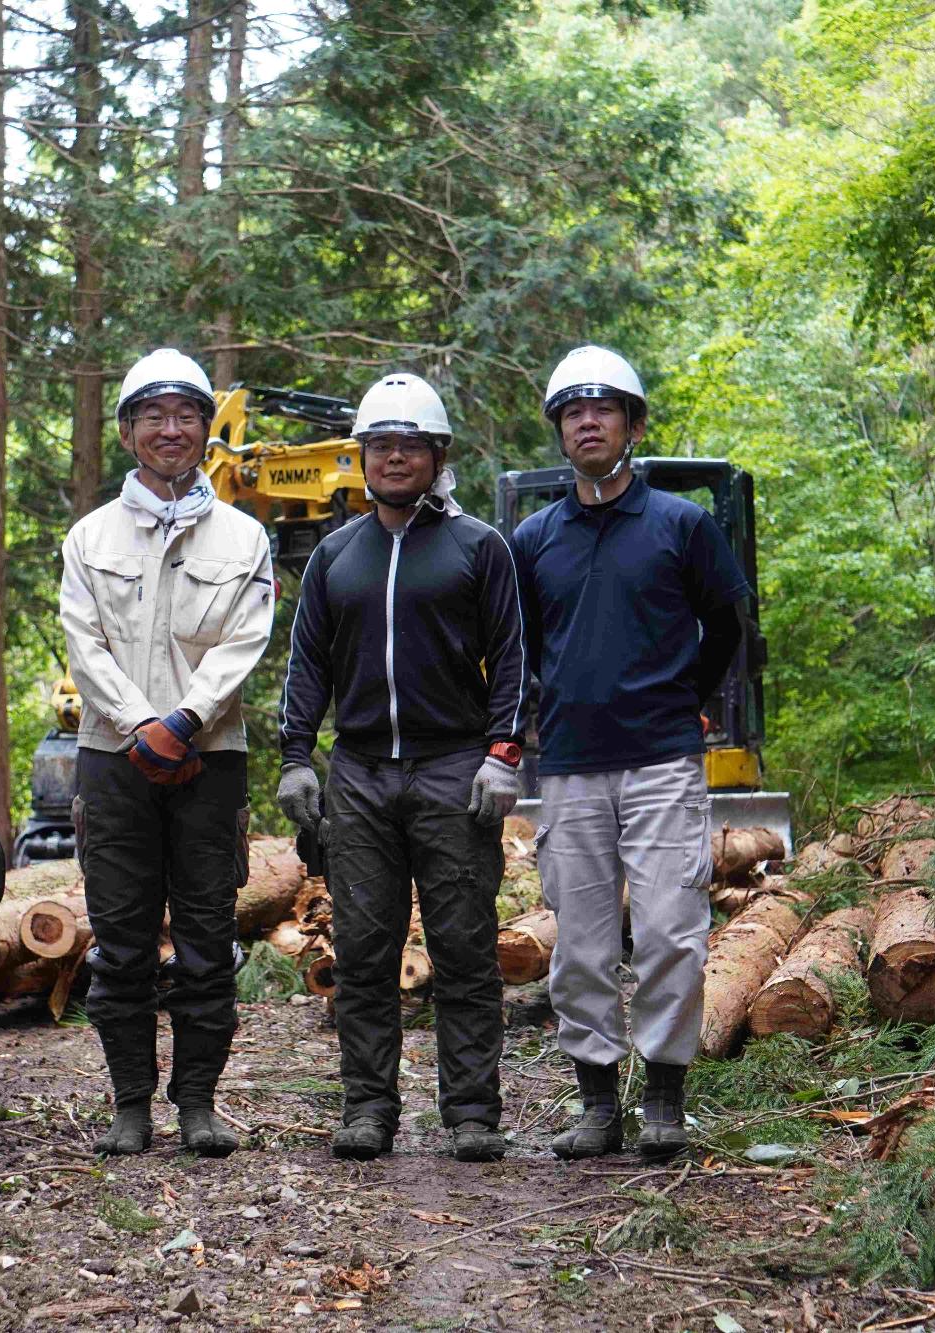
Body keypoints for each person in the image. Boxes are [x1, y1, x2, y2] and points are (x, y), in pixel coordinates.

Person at [275, 372, 527, 1163]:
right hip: (357, 774)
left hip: (454, 767)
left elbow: (516, 657)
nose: (393, 456)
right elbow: (306, 664)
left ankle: (473, 1112)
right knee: (366, 946)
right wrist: (295, 757)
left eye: (409, 443)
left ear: (437, 453)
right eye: (379, 443)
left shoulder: (478, 547)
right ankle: (369, 1109)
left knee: (461, 943)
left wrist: (502, 753)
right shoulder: (335, 555)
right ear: (360, 455)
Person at [509, 346, 750, 1160]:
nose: (587, 421)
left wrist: (687, 696)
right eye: (572, 412)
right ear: (559, 430)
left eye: (603, 409)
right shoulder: (534, 537)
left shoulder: (682, 525)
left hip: (661, 758)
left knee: (670, 928)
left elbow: (727, 623)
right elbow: (521, 649)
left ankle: (665, 1102)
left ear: (633, 424)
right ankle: (597, 1106)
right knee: (579, 937)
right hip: (571, 762)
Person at [58, 348, 275, 1158]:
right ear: (127, 431)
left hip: (209, 758)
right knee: (119, 940)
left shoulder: (244, 537)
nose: (171, 429)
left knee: (207, 936)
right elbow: (86, 647)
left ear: (206, 429)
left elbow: (244, 643)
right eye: (153, 415)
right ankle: (129, 1104)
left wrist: (182, 722)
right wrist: (142, 723)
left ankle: (198, 1105)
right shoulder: (90, 538)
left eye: (186, 414)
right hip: (111, 757)